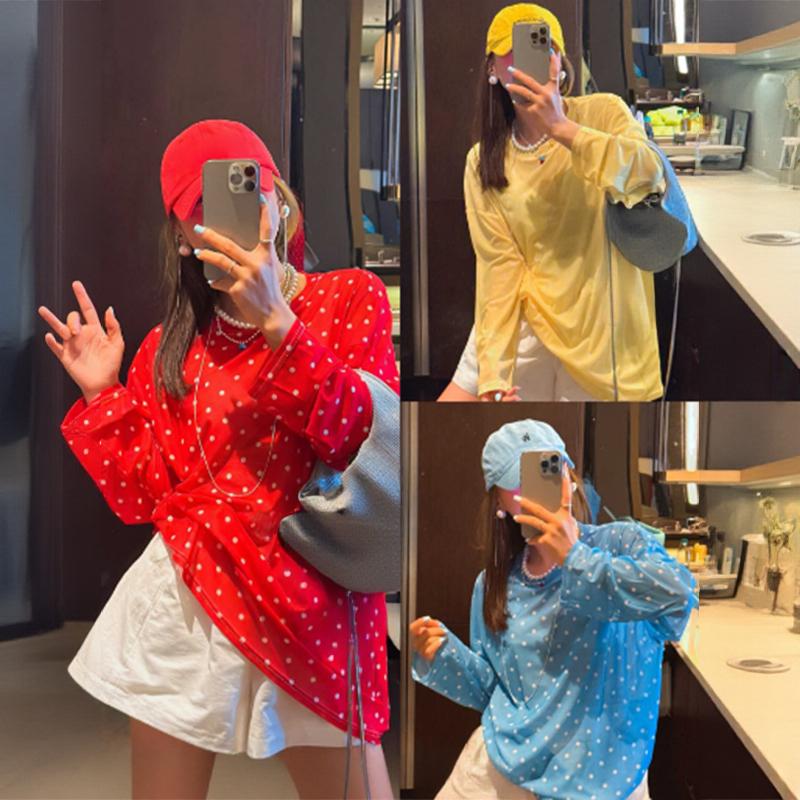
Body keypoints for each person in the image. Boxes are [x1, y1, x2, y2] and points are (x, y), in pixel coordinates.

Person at [37, 119, 397, 800]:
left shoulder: (348, 299)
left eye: (253, 187)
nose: (240, 213)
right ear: (182, 238)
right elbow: (144, 496)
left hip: (310, 603)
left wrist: (278, 323)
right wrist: (104, 394)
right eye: (205, 207)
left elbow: (358, 440)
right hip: (186, 599)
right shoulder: (167, 348)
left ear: (280, 203)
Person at [410, 419, 697, 799]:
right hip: (505, 767)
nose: (535, 492)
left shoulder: (620, 544)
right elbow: (495, 691)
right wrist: (445, 656)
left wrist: (575, 558)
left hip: (603, 778)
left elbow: (679, 594)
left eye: (548, 471)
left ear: (570, 477)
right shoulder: (493, 585)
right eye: (518, 482)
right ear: (498, 502)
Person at [440, 3, 667, 403]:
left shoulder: (602, 112)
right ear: (492, 68)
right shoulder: (483, 160)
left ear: (561, 62)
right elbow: (499, 266)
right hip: (529, 326)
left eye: (544, 47)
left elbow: (648, 174)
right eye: (512, 50)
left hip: (603, 333)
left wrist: (561, 127)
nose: (530, 60)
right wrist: (493, 372)